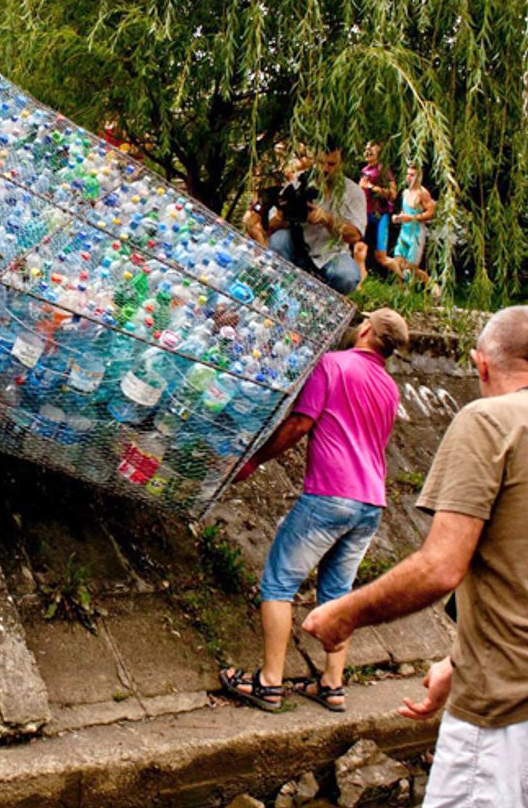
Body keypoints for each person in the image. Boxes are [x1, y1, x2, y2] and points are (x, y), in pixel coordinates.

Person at [302, 305, 528, 807]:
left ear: (481, 365)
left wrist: (345, 614)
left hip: (502, 710)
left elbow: (440, 566)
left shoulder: (490, 421)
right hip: (368, 504)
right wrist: (457, 658)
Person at [220, 308, 408, 712]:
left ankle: (269, 683)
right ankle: (332, 684)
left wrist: (254, 460)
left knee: (278, 584)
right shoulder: (390, 389)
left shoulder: (333, 366)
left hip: (330, 495)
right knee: (338, 594)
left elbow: (299, 425)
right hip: (371, 502)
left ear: (365, 329)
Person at [268, 140, 367, 294]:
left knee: (347, 277)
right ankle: (281, 289)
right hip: (297, 243)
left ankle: (324, 302)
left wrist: (326, 219)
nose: (325, 169)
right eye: (321, 163)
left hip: (330, 252)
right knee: (278, 240)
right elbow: (272, 224)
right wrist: (284, 214)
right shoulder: (300, 182)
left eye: (331, 164)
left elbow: (354, 236)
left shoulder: (354, 193)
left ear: (342, 164)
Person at [391, 162, 437, 291]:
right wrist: (398, 217)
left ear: (419, 176)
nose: (409, 177)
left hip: (416, 234)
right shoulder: (405, 192)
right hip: (404, 232)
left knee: (411, 268)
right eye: (407, 174)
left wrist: (412, 218)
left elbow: (431, 212)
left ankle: (433, 287)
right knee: (397, 264)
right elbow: (405, 212)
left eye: (412, 175)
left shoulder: (423, 193)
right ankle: (400, 294)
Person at [358, 140, 398, 276]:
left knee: (381, 258)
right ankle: (359, 285)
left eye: (371, 149)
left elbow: (393, 195)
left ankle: (404, 279)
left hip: (380, 215)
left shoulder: (383, 170)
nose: (367, 151)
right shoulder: (364, 170)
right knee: (359, 249)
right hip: (365, 214)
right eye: (366, 148)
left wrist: (372, 188)